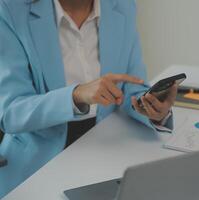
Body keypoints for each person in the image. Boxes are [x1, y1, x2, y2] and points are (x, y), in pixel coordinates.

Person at [0, 0, 176, 197]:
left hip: (105, 148)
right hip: (38, 162)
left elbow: (132, 85)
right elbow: (10, 112)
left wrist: (151, 107)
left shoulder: (122, 5)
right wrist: (76, 95)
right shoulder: (10, 10)